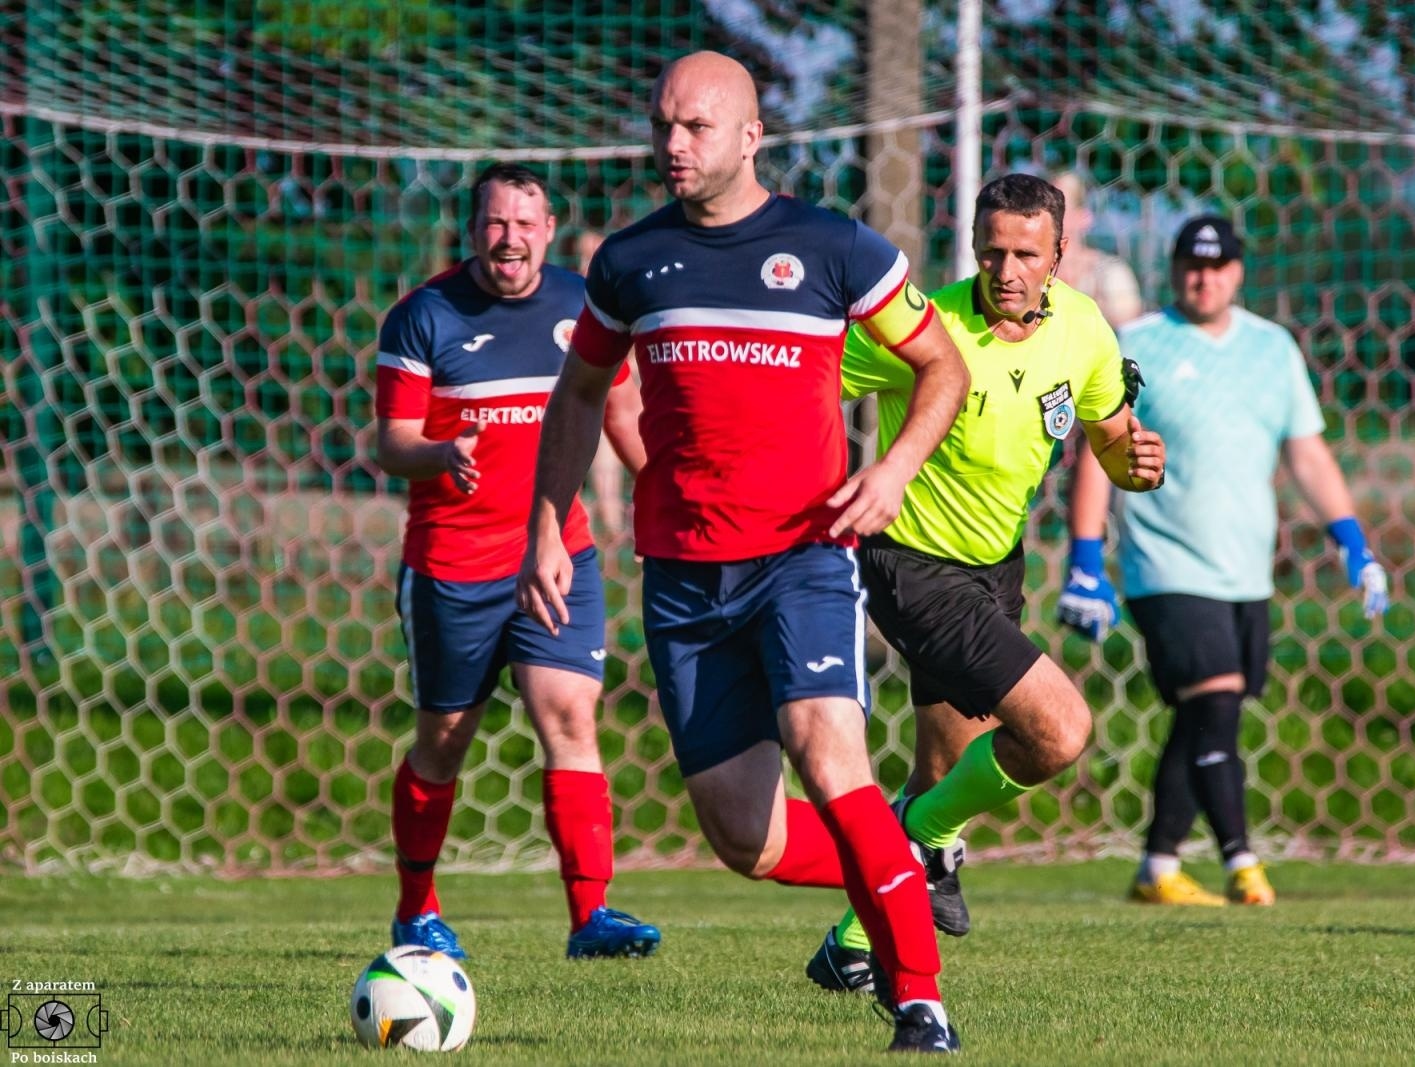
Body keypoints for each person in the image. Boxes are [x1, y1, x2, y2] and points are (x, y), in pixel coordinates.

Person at [517, 51, 970, 1054]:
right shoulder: (629, 261)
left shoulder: (829, 246)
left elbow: (941, 363)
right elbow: (580, 395)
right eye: (662, 125)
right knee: (744, 839)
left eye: (694, 128)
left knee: (827, 752)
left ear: (751, 136)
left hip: (801, 558)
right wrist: (548, 523)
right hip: (682, 578)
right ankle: (901, 862)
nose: (671, 146)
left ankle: (919, 1000)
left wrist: (892, 468)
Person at [807, 173, 1167, 994]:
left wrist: (1137, 465)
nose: (1007, 271)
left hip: (997, 567)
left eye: (1027, 255)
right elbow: (813, 381)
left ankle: (851, 945)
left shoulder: (1083, 331)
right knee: (1058, 729)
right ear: (972, 246)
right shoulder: (926, 329)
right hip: (912, 565)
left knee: (944, 770)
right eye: (993, 251)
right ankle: (926, 838)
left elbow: (1112, 437)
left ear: (1060, 256)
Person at [1058, 215, 1391, 906]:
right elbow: (1100, 446)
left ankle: (1157, 868)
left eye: (1215, 265)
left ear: (1238, 272)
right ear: (1174, 269)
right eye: (1188, 264)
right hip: (1166, 567)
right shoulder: (1139, 343)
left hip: (1244, 571)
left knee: (1209, 713)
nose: (1200, 277)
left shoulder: (1273, 349)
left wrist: (1353, 541)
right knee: (1214, 698)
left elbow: (1306, 451)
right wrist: (1086, 557)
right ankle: (1244, 864)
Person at [373, 162, 661, 961]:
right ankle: (415, 909)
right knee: (445, 741)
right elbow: (390, 442)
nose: (511, 238)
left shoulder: (581, 305)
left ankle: (590, 917)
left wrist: (664, 490)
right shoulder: (423, 316)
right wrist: (438, 450)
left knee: (569, 718)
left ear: (548, 230)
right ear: (474, 232)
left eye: (525, 224)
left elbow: (623, 412)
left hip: (558, 552)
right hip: (452, 565)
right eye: (496, 223)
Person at [569, 227, 628, 537]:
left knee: (609, 445)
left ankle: (613, 527)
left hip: (615, 393)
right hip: (577, 395)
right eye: (580, 257)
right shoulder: (569, 294)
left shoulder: (621, 290)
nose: (584, 265)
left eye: (591, 257)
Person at [1050, 172, 1143, 329]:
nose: (1048, 214)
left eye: (1057, 206)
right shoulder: (1028, 270)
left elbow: (1129, 336)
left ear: (1084, 217)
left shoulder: (1110, 273)